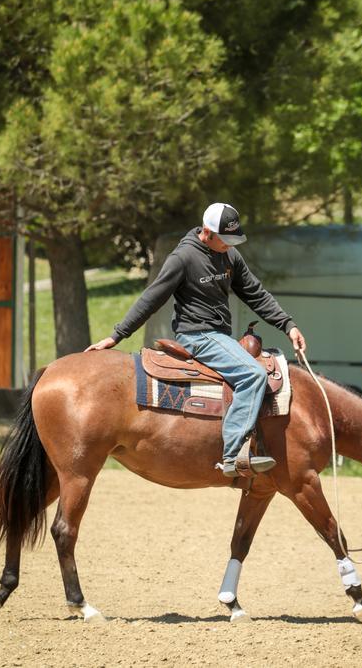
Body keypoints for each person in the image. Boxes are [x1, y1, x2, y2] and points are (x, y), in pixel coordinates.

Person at [86, 202, 306, 477]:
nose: (229, 245)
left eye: (232, 240)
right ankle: (234, 454)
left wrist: (288, 325)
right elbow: (151, 298)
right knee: (253, 374)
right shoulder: (183, 258)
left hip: (218, 336)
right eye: (225, 240)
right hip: (197, 336)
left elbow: (255, 293)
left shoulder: (230, 255)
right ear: (207, 232)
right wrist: (116, 335)